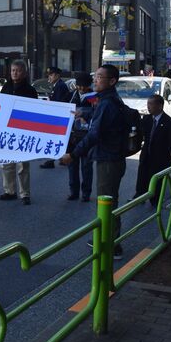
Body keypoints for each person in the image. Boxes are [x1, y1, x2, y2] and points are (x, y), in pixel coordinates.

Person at [60, 64, 128, 260]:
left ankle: (111, 245)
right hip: (112, 157)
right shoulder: (108, 100)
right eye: (95, 76)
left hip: (109, 159)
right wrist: (85, 113)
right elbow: (101, 118)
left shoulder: (107, 102)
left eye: (100, 77)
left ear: (112, 81)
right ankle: (109, 240)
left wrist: (73, 154)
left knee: (107, 202)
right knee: (109, 200)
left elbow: (94, 134)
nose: (95, 80)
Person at [0, 60, 38, 205]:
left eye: (18, 70)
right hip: (7, 131)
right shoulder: (6, 87)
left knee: (23, 165)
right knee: (7, 164)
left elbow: (34, 112)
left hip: (23, 132)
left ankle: (25, 193)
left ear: (25, 72)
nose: (15, 73)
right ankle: (9, 191)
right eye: (13, 70)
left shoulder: (30, 90)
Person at [134, 95, 171, 206]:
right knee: (142, 175)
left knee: (156, 178)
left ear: (160, 106)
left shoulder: (170, 122)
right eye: (148, 104)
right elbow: (141, 134)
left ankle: (155, 199)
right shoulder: (147, 119)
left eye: (151, 104)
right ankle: (140, 195)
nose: (149, 107)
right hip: (146, 153)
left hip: (160, 156)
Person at [66, 72, 94, 202]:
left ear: (89, 85)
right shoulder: (71, 96)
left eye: (84, 86)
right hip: (72, 135)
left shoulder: (94, 97)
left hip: (86, 135)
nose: (82, 88)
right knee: (72, 164)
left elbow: (97, 113)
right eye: (79, 86)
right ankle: (74, 191)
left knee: (86, 166)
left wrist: (84, 114)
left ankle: (86, 192)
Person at [40, 66, 72, 169]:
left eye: (51, 74)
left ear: (57, 75)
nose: (49, 76)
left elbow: (58, 103)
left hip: (59, 116)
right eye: (49, 75)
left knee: (54, 139)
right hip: (60, 116)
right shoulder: (57, 85)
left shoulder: (60, 86)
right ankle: (62, 158)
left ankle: (52, 160)